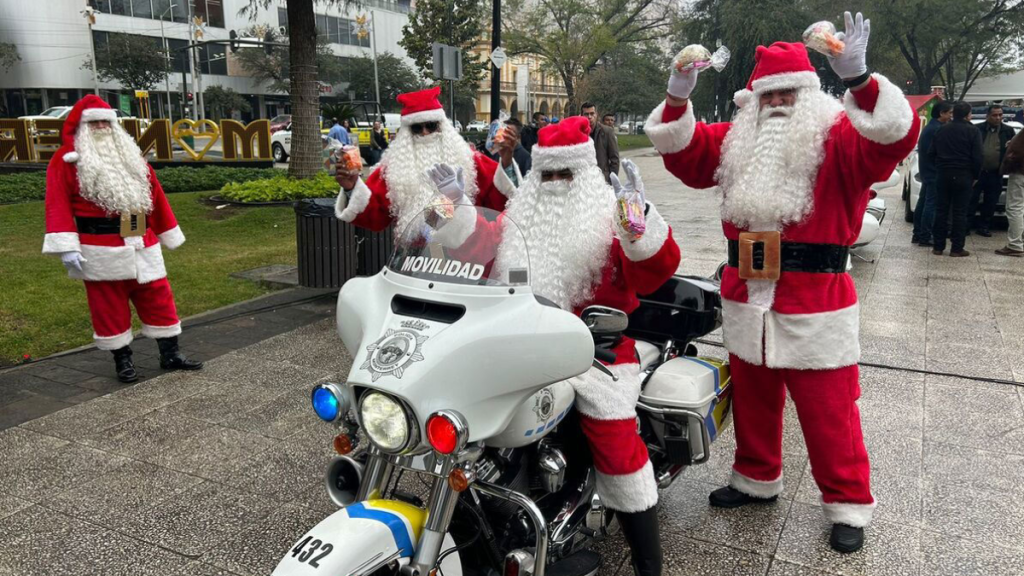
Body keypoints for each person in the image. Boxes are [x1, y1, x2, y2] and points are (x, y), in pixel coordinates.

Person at [644, 13, 918, 553]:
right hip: (748, 294)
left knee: (829, 411)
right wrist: (678, 96)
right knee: (753, 399)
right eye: (769, 96)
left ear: (810, 93)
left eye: (789, 94)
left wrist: (861, 81)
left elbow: (892, 140)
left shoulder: (839, 137)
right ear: (752, 100)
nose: (778, 105)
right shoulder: (735, 142)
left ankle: (847, 502)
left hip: (816, 301)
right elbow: (686, 154)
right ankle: (755, 476)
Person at [429, 117, 680, 576]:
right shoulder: (517, 221)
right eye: (548, 174)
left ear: (584, 174)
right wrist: (449, 204)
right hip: (519, 345)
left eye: (566, 174)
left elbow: (654, 273)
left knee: (614, 437)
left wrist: (638, 227)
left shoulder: (610, 217)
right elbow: (472, 245)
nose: (556, 184)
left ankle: (648, 562)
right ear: (536, 176)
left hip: (593, 350)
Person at [42, 95, 203, 383]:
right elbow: (57, 203)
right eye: (94, 122)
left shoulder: (132, 157)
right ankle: (123, 361)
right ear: (80, 127)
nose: (102, 126)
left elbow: (156, 196)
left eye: (106, 121)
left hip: (142, 242)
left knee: (159, 299)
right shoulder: (66, 161)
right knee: (108, 307)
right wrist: (66, 246)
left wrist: (168, 232)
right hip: (100, 248)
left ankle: (170, 354)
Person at [333, 86, 519, 231]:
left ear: (442, 126)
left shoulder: (471, 162)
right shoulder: (392, 170)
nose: (425, 133)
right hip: (412, 264)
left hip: (466, 262)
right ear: (407, 132)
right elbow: (374, 217)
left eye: (431, 125)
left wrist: (507, 162)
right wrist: (351, 188)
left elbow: (504, 202)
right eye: (417, 128)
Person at [930, 101, 983, 257]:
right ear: (968, 115)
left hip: (943, 173)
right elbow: (978, 156)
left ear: (953, 114)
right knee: (960, 212)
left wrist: (940, 165)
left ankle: (938, 246)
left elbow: (931, 152)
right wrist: (975, 175)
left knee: (941, 210)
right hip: (964, 174)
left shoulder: (942, 130)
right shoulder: (973, 131)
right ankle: (957, 248)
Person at [911, 101, 953, 246]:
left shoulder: (931, 127)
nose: (951, 116)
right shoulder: (937, 129)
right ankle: (925, 236)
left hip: (927, 171)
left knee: (923, 203)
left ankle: (918, 233)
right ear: (942, 113)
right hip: (934, 172)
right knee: (930, 204)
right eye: (949, 113)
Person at [970, 105, 1015, 236]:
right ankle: (966, 225)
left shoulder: (1008, 131)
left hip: (996, 173)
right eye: (994, 115)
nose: (998, 118)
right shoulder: (977, 129)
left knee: (991, 202)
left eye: (1000, 115)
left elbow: (1012, 150)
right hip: (978, 173)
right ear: (987, 116)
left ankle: (984, 226)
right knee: (971, 200)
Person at [996, 129, 1024, 256]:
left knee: (1014, 207)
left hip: (1020, 173)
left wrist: (1010, 152)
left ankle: (1015, 245)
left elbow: (1017, 153)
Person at [581, 102, 620, 183]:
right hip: (584, 180)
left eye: (592, 114)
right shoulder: (578, 132)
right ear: (581, 115)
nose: (589, 117)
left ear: (596, 114)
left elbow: (614, 159)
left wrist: (611, 181)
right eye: (586, 114)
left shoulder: (607, 132)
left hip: (602, 179)